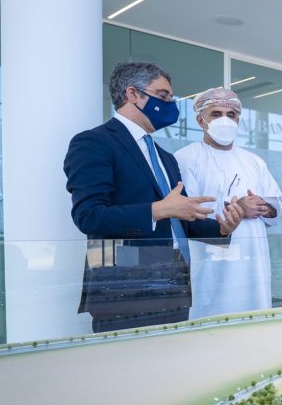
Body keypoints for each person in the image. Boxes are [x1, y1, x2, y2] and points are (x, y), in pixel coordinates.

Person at [64, 62, 242, 332]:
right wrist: (159, 209)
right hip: (123, 289)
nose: (170, 103)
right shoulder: (94, 142)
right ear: (133, 94)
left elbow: (179, 220)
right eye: (163, 95)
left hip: (173, 284)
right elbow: (89, 216)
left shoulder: (165, 157)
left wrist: (222, 228)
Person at [174, 88, 282, 318]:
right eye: (216, 114)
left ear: (238, 120)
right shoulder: (185, 158)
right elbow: (186, 215)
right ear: (200, 120)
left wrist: (264, 207)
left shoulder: (254, 161)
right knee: (211, 322)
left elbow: (276, 208)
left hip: (253, 261)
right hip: (211, 263)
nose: (225, 119)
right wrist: (238, 208)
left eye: (231, 115)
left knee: (255, 320)